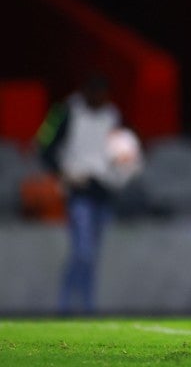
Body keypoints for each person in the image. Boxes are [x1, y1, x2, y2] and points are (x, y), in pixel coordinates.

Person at [34, 75, 142, 314]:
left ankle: (85, 306)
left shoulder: (114, 116)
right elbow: (44, 146)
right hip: (79, 190)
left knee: (91, 254)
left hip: (104, 191)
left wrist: (124, 168)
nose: (98, 99)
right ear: (85, 93)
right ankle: (67, 305)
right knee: (83, 251)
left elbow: (126, 149)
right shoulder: (66, 113)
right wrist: (63, 173)